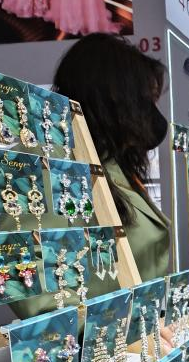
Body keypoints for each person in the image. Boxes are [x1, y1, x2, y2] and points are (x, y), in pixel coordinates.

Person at [53, 33, 171, 282]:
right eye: (146, 100)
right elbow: (41, 284)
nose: (150, 113)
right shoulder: (55, 168)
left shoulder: (114, 164)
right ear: (115, 101)